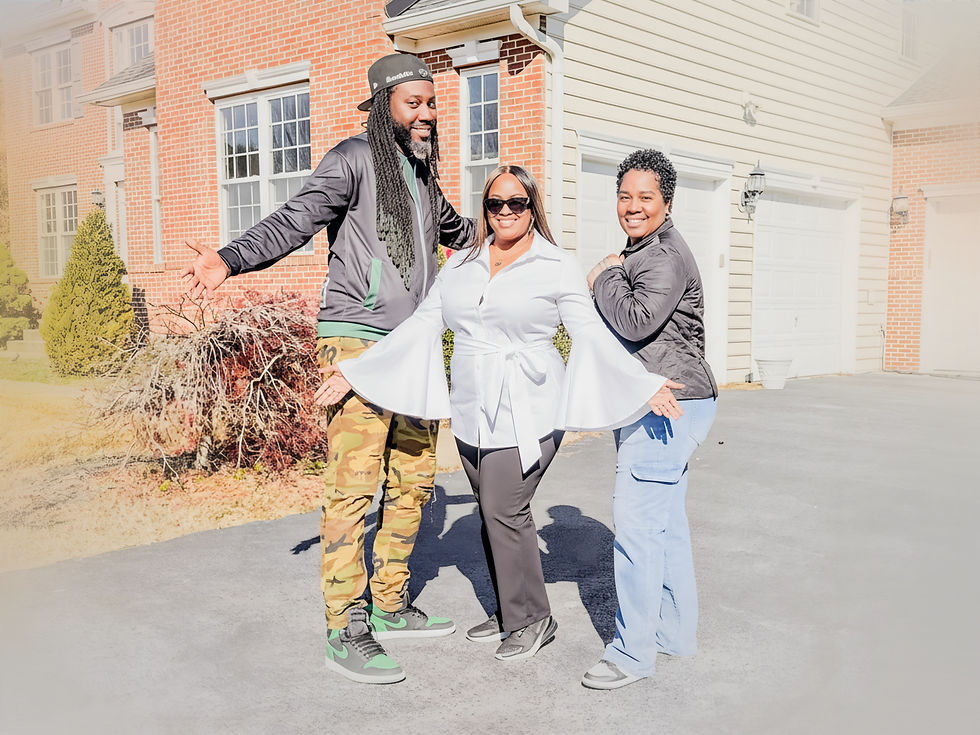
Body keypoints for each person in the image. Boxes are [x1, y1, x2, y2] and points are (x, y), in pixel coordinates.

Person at [180, 53, 476, 685]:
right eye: (413, 103)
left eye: (431, 102)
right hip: (357, 341)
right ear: (383, 106)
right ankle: (345, 626)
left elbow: (459, 231)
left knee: (414, 483)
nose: (427, 112)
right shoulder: (353, 159)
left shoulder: (425, 176)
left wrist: (515, 231)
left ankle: (390, 604)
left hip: (414, 349)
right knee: (353, 486)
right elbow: (297, 219)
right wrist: (230, 259)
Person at [316, 165, 684, 663]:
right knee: (492, 515)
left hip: (532, 408)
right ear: (484, 210)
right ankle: (512, 610)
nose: (506, 212)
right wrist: (357, 371)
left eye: (517, 203)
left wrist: (642, 384)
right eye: (495, 204)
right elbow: (422, 326)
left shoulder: (555, 264)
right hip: (473, 411)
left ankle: (532, 617)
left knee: (504, 509)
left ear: (533, 207)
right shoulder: (461, 265)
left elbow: (590, 333)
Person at [580, 149, 718, 690]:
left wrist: (602, 276)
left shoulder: (658, 256)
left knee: (637, 532)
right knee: (666, 529)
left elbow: (636, 322)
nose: (632, 207)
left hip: (668, 403)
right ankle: (675, 634)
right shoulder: (648, 249)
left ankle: (632, 654)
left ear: (666, 202)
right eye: (624, 196)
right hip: (674, 399)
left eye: (645, 198)